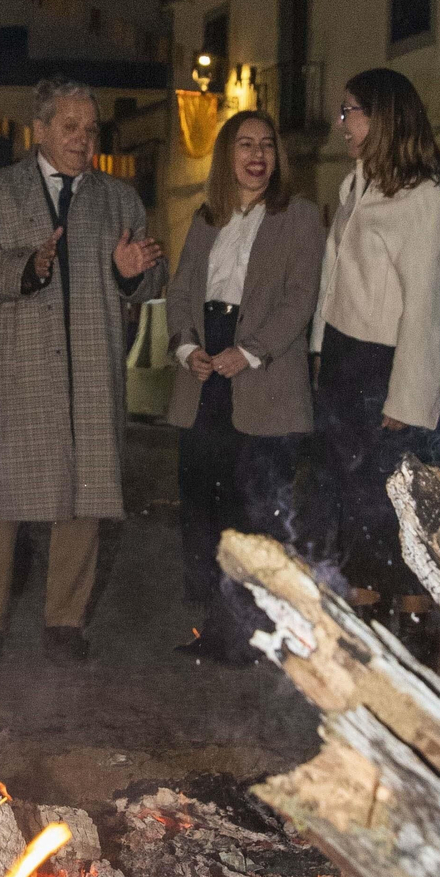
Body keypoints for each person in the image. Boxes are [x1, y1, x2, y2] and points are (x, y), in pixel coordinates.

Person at [0, 76, 166, 664]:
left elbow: (152, 279)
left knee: (85, 495)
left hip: (92, 369)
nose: (83, 139)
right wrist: (27, 266)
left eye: (90, 128)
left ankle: (65, 624)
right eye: (69, 128)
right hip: (16, 369)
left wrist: (129, 271)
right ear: (38, 130)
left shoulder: (120, 199)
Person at [308, 68, 440, 656]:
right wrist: (322, 356)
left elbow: (432, 310)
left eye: (350, 111)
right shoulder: (358, 185)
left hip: (389, 369)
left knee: (398, 510)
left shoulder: (424, 200)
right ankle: (368, 635)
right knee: (355, 504)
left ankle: (416, 643)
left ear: (384, 117)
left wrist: (409, 400)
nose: (343, 124)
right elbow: (336, 282)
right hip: (349, 363)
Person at [165, 109, 323, 665]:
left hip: (264, 381)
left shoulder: (300, 216)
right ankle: (213, 628)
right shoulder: (205, 218)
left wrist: (250, 351)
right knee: (202, 513)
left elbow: (301, 297)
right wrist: (187, 347)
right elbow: (183, 288)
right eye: (244, 145)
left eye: (267, 146)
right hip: (205, 374)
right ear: (226, 157)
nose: (256, 156)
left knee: (254, 517)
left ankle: (256, 635)